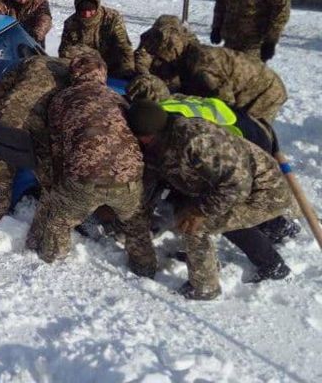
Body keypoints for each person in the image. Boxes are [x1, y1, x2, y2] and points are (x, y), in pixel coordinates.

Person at [127, 100, 294, 300]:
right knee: (193, 210)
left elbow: (237, 187)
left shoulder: (196, 141)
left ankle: (205, 287)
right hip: (232, 188)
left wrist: (199, 212)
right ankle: (207, 261)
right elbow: (152, 177)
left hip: (265, 193)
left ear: (145, 137)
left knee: (194, 225)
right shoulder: (163, 138)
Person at [126, 74, 301, 244]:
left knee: (224, 210)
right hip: (245, 128)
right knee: (198, 187)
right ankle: (279, 224)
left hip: (246, 141)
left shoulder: (182, 130)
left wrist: (200, 211)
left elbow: (235, 184)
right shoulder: (168, 107)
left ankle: (274, 239)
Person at [37, 52, 157, 277]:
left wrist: (59, 182)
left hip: (84, 183)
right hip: (128, 181)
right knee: (135, 223)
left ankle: (53, 258)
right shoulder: (118, 97)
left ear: (74, 74)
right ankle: (145, 268)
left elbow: (56, 147)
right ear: (102, 74)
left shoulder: (61, 100)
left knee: (59, 220)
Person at [0, 55, 69, 243]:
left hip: (3, 122)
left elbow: (2, 86)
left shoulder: (34, 60)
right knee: (51, 184)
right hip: (32, 129)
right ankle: (36, 238)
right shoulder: (72, 79)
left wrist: (7, 107)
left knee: (3, 178)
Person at [142, 22, 287, 123]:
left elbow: (222, 106)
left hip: (264, 92)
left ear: (168, 50)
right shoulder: (186, 55)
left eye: (157, 54)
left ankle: (276, 165)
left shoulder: (200, 66)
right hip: (249, 87)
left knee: (251, 133)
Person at [58, 0, 135, 78]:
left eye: (90, 10)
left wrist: (128, 71)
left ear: (97, 7)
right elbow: (64, 50)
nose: (87, 14)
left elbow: (124, 46)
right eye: (83, 10)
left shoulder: (112, 18)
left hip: (113, 64)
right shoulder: (71, 23)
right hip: (88, 67)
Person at [134, 15, 196, 91]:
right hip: (156, 79)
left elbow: (194, 64)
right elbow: (141, 61)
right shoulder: (149, 37)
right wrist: (150, 82)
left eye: (172, 32)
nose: (168, 35)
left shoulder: (188, 41)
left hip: (179, 81)